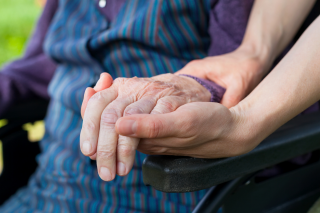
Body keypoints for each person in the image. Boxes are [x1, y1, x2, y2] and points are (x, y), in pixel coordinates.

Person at [0, 0, 317, 212]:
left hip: (171, 198)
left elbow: (235, 75)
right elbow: (46, 63)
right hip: (43, 189)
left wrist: (205, 92)